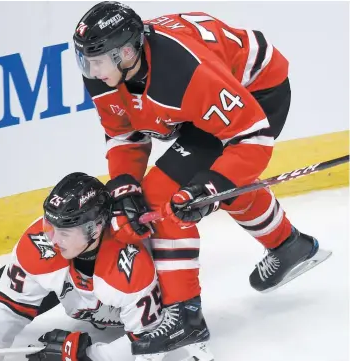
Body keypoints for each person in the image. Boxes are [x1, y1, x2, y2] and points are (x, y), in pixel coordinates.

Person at [73, 1, 326, 357]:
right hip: (211, 96)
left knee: (166, 196)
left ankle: (186, 319)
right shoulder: (108, 69)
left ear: (127, 52)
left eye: (96, 61)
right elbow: (124, 134)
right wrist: (124, 182)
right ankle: (289, 246)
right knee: (196, 185)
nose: (90, 71)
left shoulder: (185, 73)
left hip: (255, 92)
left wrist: (212, 185)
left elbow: (251, 137)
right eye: (85, 60)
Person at [0, 172, 212, 361]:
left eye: (65, 230)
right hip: (67, 287)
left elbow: (149, 349)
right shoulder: (44, 242)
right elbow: (11, 304)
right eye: (51, 225)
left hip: (117, 304)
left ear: (96, 228)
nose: (52, 237)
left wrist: (88, 355)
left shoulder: (130, 267)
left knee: (179, 356)